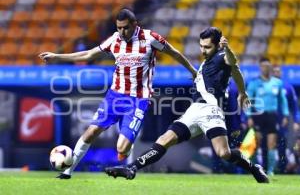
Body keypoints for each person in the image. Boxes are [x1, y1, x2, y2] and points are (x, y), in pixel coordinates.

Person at [39, 9, 197, 179]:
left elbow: (174, 53)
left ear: (135, 24)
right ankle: (67, 172)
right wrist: (57, 57)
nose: (122, 32)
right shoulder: (115, 39)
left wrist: (193, 71)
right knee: (90, 132)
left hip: (138, 99)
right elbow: (89, 53)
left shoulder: (150, 38)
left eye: (125, 28)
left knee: (121, 148)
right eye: (119, 28)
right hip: (115, 96)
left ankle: (124, 154)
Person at [105, 27, 269, 183]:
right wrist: (240, 91)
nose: (203, 50)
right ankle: (131, 168)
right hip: (195, 110)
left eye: (207, 47)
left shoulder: (221, 56)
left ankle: (254, 168)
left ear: (218, 45)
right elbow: (236, 72)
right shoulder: (207, 62)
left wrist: (228, 52)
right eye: (201, 46)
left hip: (211, 111)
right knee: (164, 139)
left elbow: (233, 63)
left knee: (223, 153)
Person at [246, 58, 289, 175]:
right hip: (258, 116)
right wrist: (248, 116)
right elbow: (248, 101)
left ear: (270, 67)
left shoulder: (277, 83)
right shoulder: (254, 83)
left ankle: (270, 171)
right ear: (260, 67)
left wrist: (285, 114)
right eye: (263, 66)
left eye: (267, 66)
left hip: (272, 116)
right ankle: (255, 169)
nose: (266, 68)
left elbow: (282, 100)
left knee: (272, 144)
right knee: (257, 144)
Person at [273, 65, 300, 173]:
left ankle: (282, 168)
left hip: (284, 121)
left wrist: (296, 121)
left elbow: (294, 107)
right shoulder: (267, 86)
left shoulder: (288, 87)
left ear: (281, 73)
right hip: (269, 120)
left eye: (278, 71)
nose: (276, 73)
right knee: (267, 144)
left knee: (282, 145)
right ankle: (266, 168)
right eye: (274, 71)